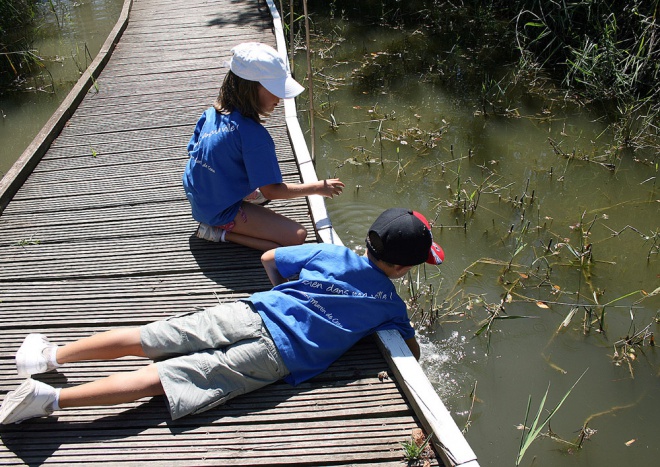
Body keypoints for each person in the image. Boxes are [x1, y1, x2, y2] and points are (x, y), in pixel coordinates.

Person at [0, 208, 444, 425]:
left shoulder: (330, 253)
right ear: (405, 268)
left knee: (151, 337)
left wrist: (278, 294)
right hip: (276, 357)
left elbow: (271, 256)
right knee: (165, 378)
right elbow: (409, 349)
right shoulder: (389, 305)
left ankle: (48, 357)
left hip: (249, 314)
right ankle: (48, 401)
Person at [183, 42, 344, 251]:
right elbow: (272, 192)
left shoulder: (213, 113)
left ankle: (235, 201)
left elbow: (194, 151)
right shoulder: (254, 137)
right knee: (296, 237)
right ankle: (218, 232)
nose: (280, 98)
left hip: (198, 193)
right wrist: (317, 188)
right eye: (275, 90)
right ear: (252, 87)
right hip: (215, 210)